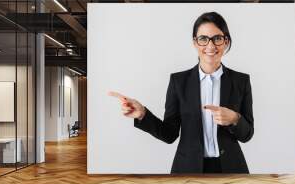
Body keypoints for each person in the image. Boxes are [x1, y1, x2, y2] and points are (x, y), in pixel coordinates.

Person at [109, 11, 254, 174]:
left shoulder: (241, 81)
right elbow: (169, 134)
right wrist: (143, 114)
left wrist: (235, 119)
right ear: (195, 42)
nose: (210, 46)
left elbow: (247, 134)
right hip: (188, 168)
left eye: (217, 38)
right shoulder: (178, 82)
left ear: (226, 41)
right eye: (203, 39)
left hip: (231, 168)